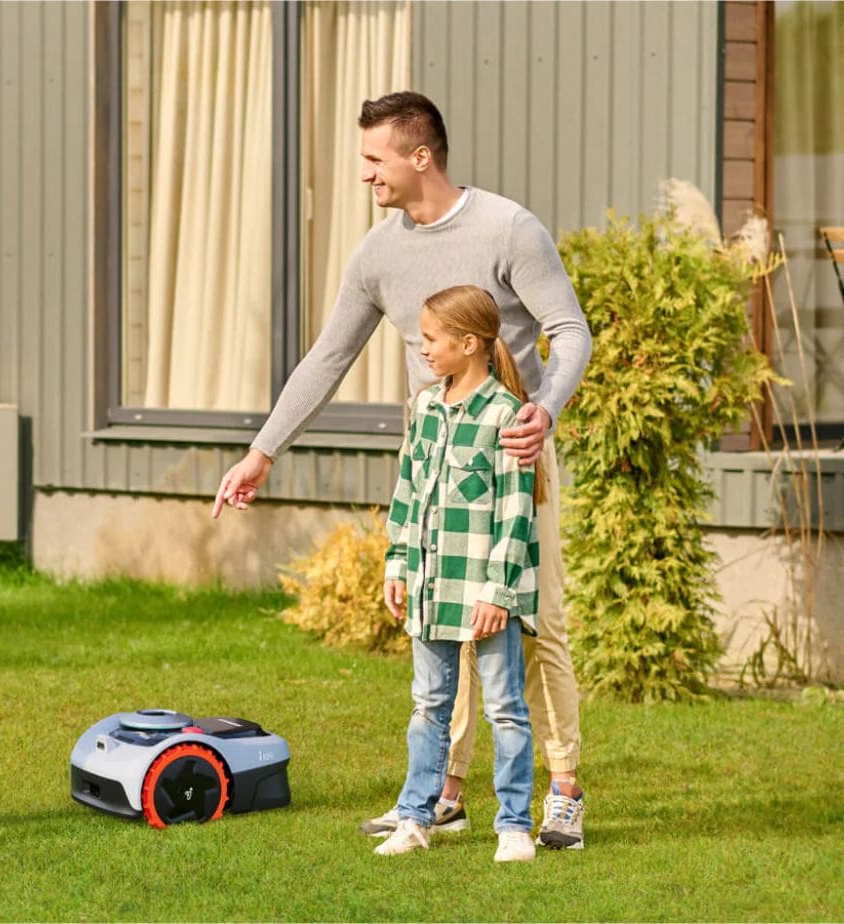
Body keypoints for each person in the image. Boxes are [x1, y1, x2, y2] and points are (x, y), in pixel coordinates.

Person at [211, 91, 593, 850]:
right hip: (432, 451)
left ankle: (563, 793)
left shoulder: (508, 229)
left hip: (513, 450)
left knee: (534, 623)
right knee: (443, 618)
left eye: (374, 158)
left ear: (421, 157)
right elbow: (328, 357)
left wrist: (544, 410)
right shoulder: (378, 253)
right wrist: (263, 451)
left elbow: (569, 330)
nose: (365, 174)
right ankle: (445, 793)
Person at [377, 284, 542, 863]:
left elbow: (515, 513)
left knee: (505, 710)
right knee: (429, 706)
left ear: (469, 344)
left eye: (431, 339)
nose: (423, 349)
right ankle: (414, 818)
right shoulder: (425, 407)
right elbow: (407, 492)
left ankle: (514, 827)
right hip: (430, 587)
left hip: (486, 594)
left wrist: (498, 592)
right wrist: (397, 563)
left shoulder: (507, 416)